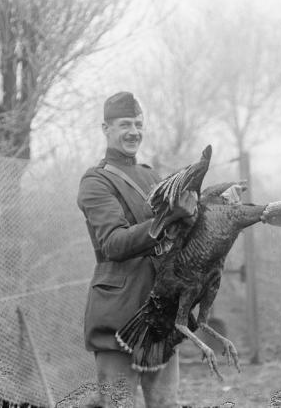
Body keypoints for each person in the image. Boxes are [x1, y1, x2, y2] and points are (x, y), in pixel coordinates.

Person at [77, 92, 196, 408]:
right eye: (125, 124)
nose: (134, 131)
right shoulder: (96, 181)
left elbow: (172, 236)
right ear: (106, 129)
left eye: (139, 124)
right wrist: (169, 216)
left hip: (159, 313)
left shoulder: (151, 176)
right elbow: (114, 243)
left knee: (166, 404)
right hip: (118, 313)